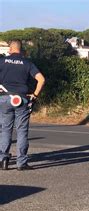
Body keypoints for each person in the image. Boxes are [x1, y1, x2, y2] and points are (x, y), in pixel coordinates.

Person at [0, 40, 45, 170]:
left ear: (10, 49)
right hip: (21, 99)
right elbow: (41, 80)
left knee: (5, 130)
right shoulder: (27, 63)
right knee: (22, 131)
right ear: (21, 50)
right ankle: (21, 163)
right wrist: (35, 95)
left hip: (4, 98)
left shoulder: (2, 61)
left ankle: (3, 160)